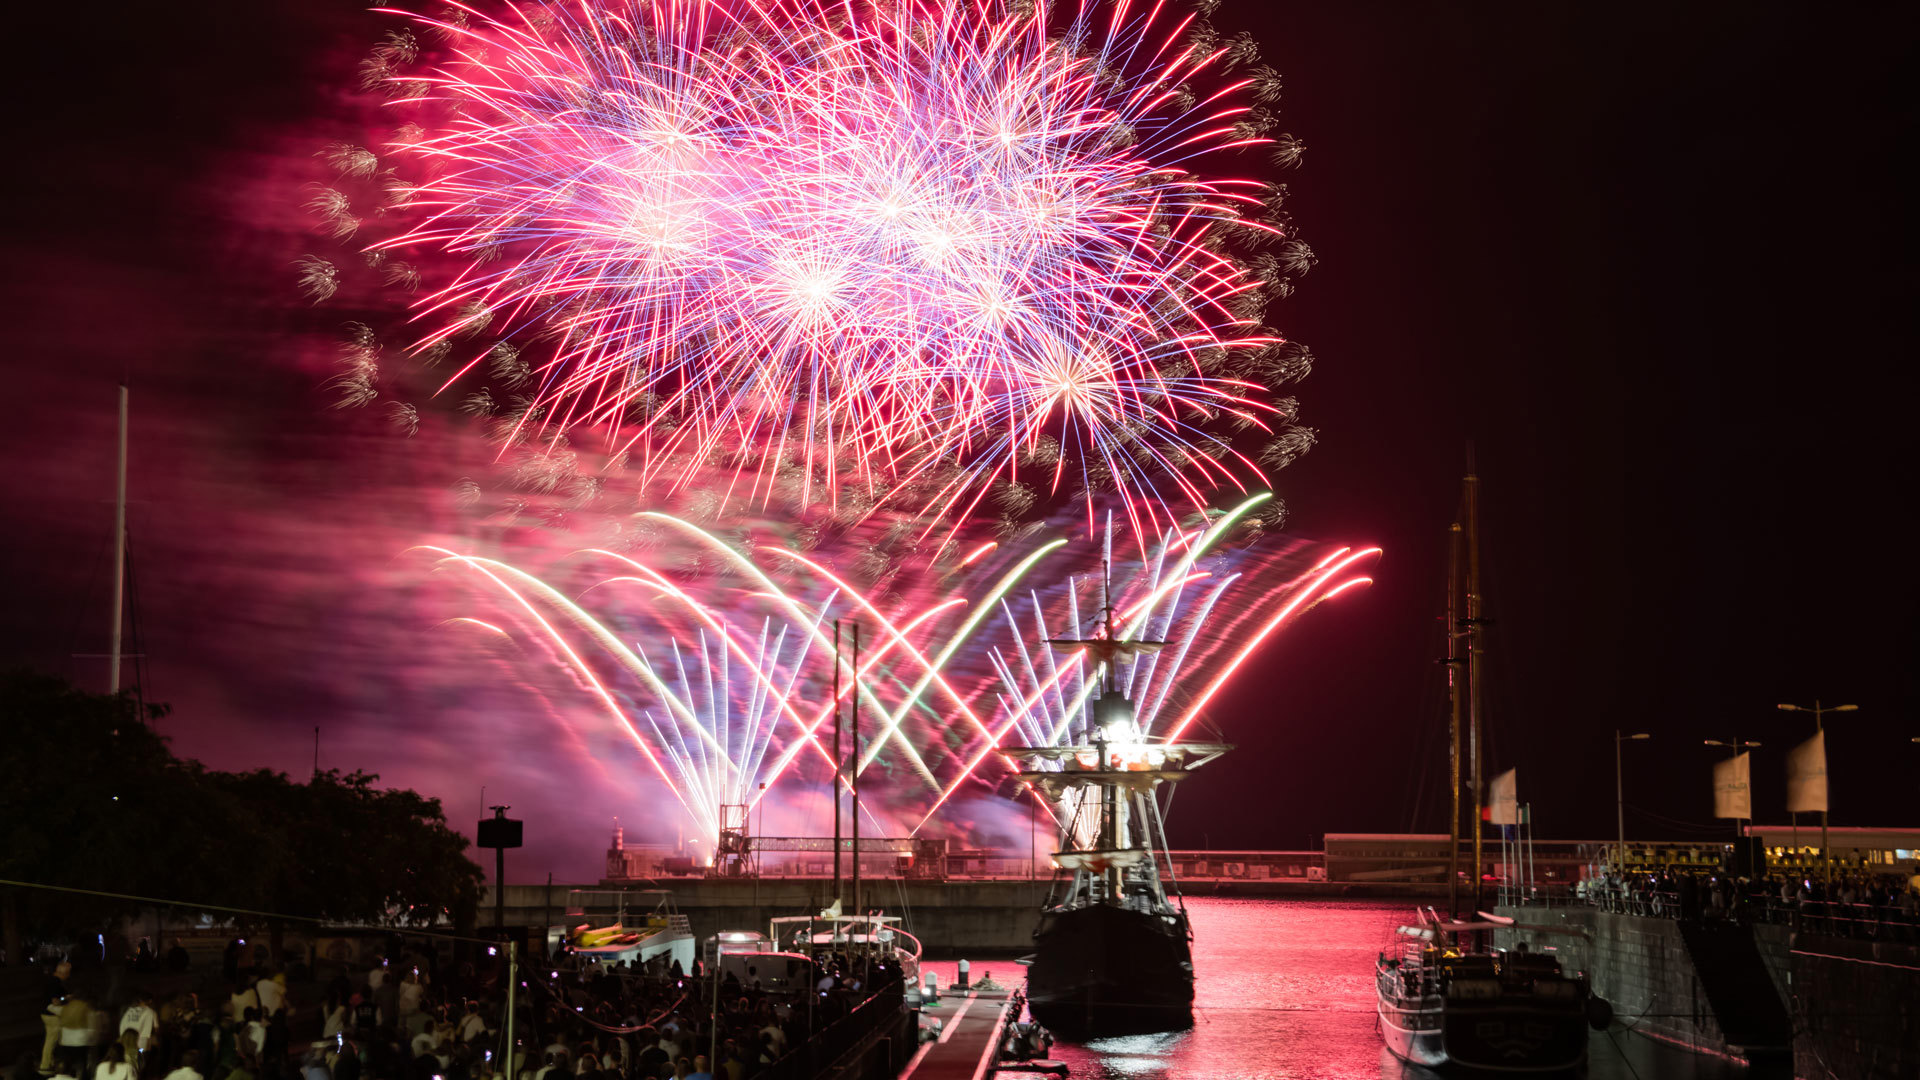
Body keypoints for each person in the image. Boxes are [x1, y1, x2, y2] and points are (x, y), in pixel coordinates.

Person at [41, 961, 72, 1074]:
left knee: (50, 1040)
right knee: (51, 1041)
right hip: (52, 1016)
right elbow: (56, 1001)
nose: (68, 976)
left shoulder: (50, 980)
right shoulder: (56, 983)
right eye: (68, 974)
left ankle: (49, 1063)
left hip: (46, 1014)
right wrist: (66, 998)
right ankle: (45, 1065)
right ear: (64, 973)